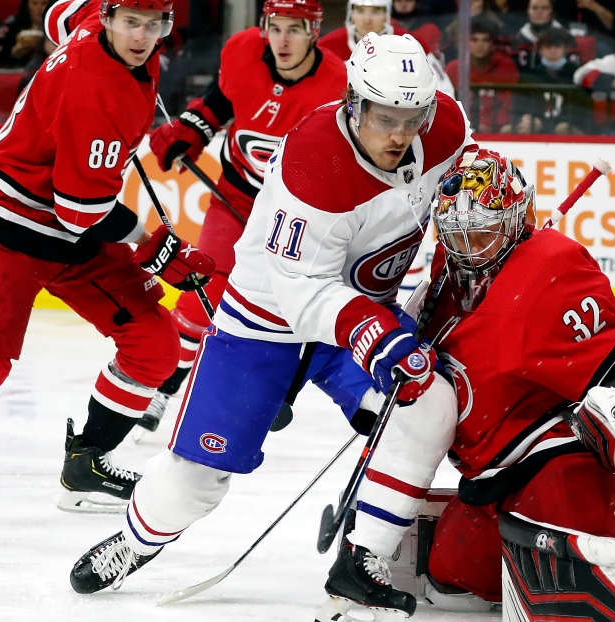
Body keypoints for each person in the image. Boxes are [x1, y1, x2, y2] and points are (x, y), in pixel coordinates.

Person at [68, 33, 473, 622]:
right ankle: (136, 539)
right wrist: (378, 335)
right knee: (196, 478)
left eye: (413, 118)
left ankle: (363, 562)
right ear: (354, 103)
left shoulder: (444, 128)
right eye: (386, 118)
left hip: (361, 309)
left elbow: (472, 180)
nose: (400, 135)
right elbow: (302, 290)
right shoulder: (315, 157)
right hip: (269, 319)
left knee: (425, 404)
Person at [0, 0, 216, 518]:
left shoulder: (95, 21)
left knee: (155, 344)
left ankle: (86, 465)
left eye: (152, 24)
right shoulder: (92, 92)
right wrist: (151, 244)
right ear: (110, 19)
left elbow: (57, 15)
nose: (141, 35)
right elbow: (80, 211)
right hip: (7, 226)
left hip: (66, 229)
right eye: (130, 22)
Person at [409, 146, 615, 620]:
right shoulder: (447, 271)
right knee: (449, 578)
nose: (468, 250)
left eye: (481, 234)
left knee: (571, 596)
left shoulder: (550, 269)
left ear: (516, 219)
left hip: (557, 465)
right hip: (490, 479)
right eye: (457, 235)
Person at [135, 0, 349, 434]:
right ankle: (164, 388)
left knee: (289, 307)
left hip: (295, 212)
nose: (283, 40)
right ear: (264, 26)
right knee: (203, 289)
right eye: (276, 28)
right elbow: (220, 103)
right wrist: (191, 132)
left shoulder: (337, 82)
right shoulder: (242, 52)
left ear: (313, 32)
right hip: (233, 194)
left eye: (295, 29)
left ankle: (265, 391)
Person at [319, 0, 453, 94]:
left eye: (376, 12)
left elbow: (444, 90)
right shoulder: (328, 45)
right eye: (360, 11)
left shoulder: (410, 44)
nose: (367, 19)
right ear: (351, 13)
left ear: (386, 14)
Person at [446, 18, 519, 132]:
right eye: (474, 40)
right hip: (461, 129)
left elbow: (509, 105)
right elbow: (446, 105)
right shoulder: (454, 68)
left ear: (493, 43)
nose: (480, 45)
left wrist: (488, 124)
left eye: (485, 40)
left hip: (498, 130)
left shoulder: (506, 66)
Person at [515, 27, 586, 134]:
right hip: (536, 127)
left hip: (569, 128)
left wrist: (544, 123)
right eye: (548, 46)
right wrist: (528, 119)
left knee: (562, 128)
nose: (553, 50)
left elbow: (581, 113)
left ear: (566, 49)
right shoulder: (529, 75)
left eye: (557, 46)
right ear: (541, 49)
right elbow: (519, 107)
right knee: (510, 129)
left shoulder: (576, 75)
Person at [510, 0, 570, 71]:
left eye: (544, 8)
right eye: (534, 8)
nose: (539, 12)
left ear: (552, 12)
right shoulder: (518, 38)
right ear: (528, 11)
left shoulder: (565, 36)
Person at [0, 0, 51, 70]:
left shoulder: (60, 24)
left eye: (44, 3)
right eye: (34, 3)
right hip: (15, 72)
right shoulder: (13, 24)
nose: (39, 8)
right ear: (26, 5)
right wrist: (14, 51)